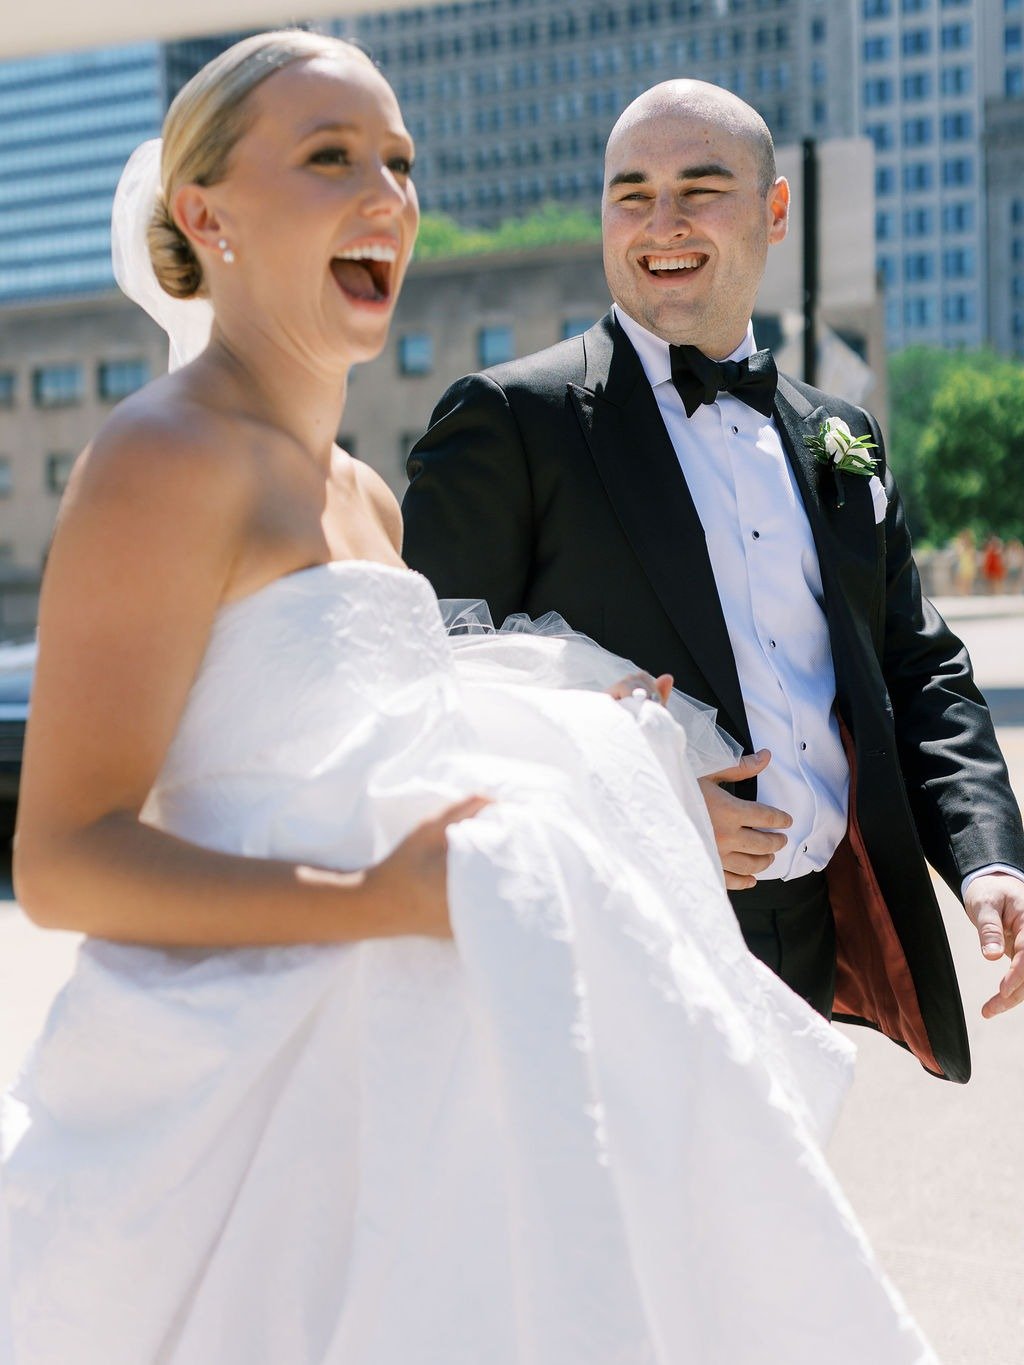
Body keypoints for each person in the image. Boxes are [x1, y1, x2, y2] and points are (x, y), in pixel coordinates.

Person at [1, 37, 940, 1363]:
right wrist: (380, 902)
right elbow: (64, 861)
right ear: (204, 211)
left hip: (405, 1075)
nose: (386, 191)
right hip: (254, 1111)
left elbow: (379, 742)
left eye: (399, 161)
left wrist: (625, 754)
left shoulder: (364, 496)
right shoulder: (163, 456)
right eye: (329, 156)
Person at [402, 80, 1024, 1082]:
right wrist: (642, 800)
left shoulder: (839, 437)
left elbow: (916, 669)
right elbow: (430, 707)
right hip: (617, 950)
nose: (662, 225)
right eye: (631, 194)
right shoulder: (509, 423)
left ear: (774, 212)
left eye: (701, 188)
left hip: (809, 946)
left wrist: (988, 857)